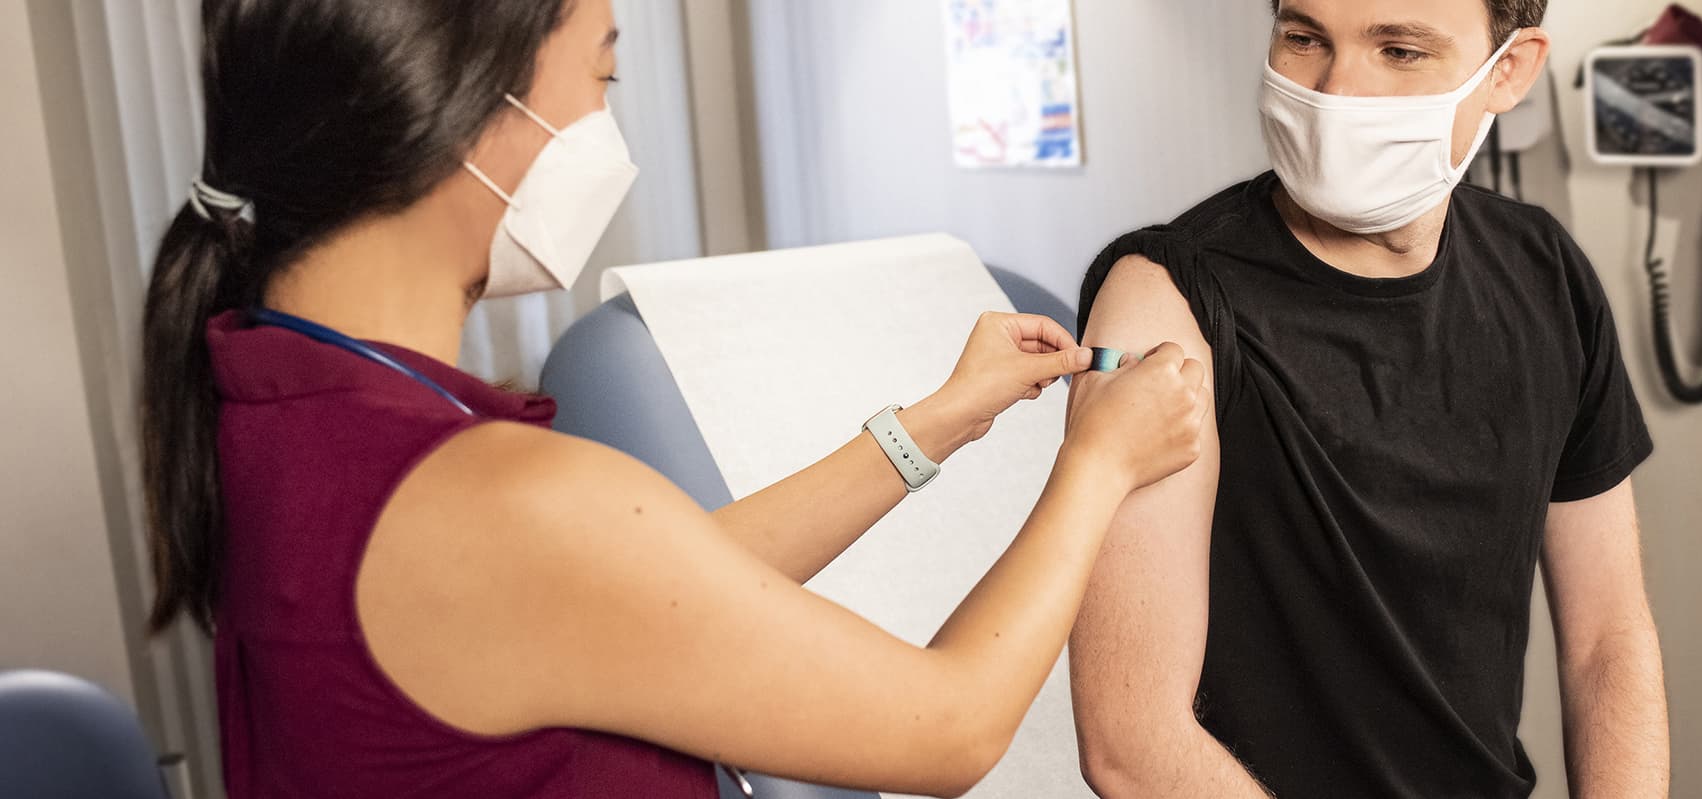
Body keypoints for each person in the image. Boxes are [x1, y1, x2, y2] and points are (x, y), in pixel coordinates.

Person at [137, 1, 1208, 797]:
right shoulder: (485, 497)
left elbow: (650, 582)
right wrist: (1096, 464)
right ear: (470, 111)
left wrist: (937, 421)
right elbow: (953, 725)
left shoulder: (286, 395)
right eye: (602, 76)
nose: (608, 126)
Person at [1068, 0, 1670, 797]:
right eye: (1303, 38)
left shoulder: (1547, 275)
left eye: (1399, 51)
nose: (1336, 92)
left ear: (1510, 71)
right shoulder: (1166, 303)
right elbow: (1131, 739)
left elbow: (1607, 639)